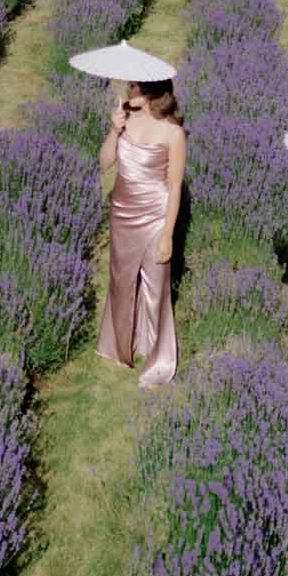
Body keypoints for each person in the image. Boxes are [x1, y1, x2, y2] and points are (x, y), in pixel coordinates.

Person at [97, 79, 184, 387]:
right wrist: (114, 129)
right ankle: (120, 347)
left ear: (148, 92)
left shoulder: (173, 133)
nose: (127, 89)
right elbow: (105, 163)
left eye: (132, 86)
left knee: (156, 284)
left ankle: (157, 357)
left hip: (155, 215)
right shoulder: (124, 119)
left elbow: (174, 187)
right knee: (121, 280)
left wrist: (167, 235)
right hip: (122, 212)